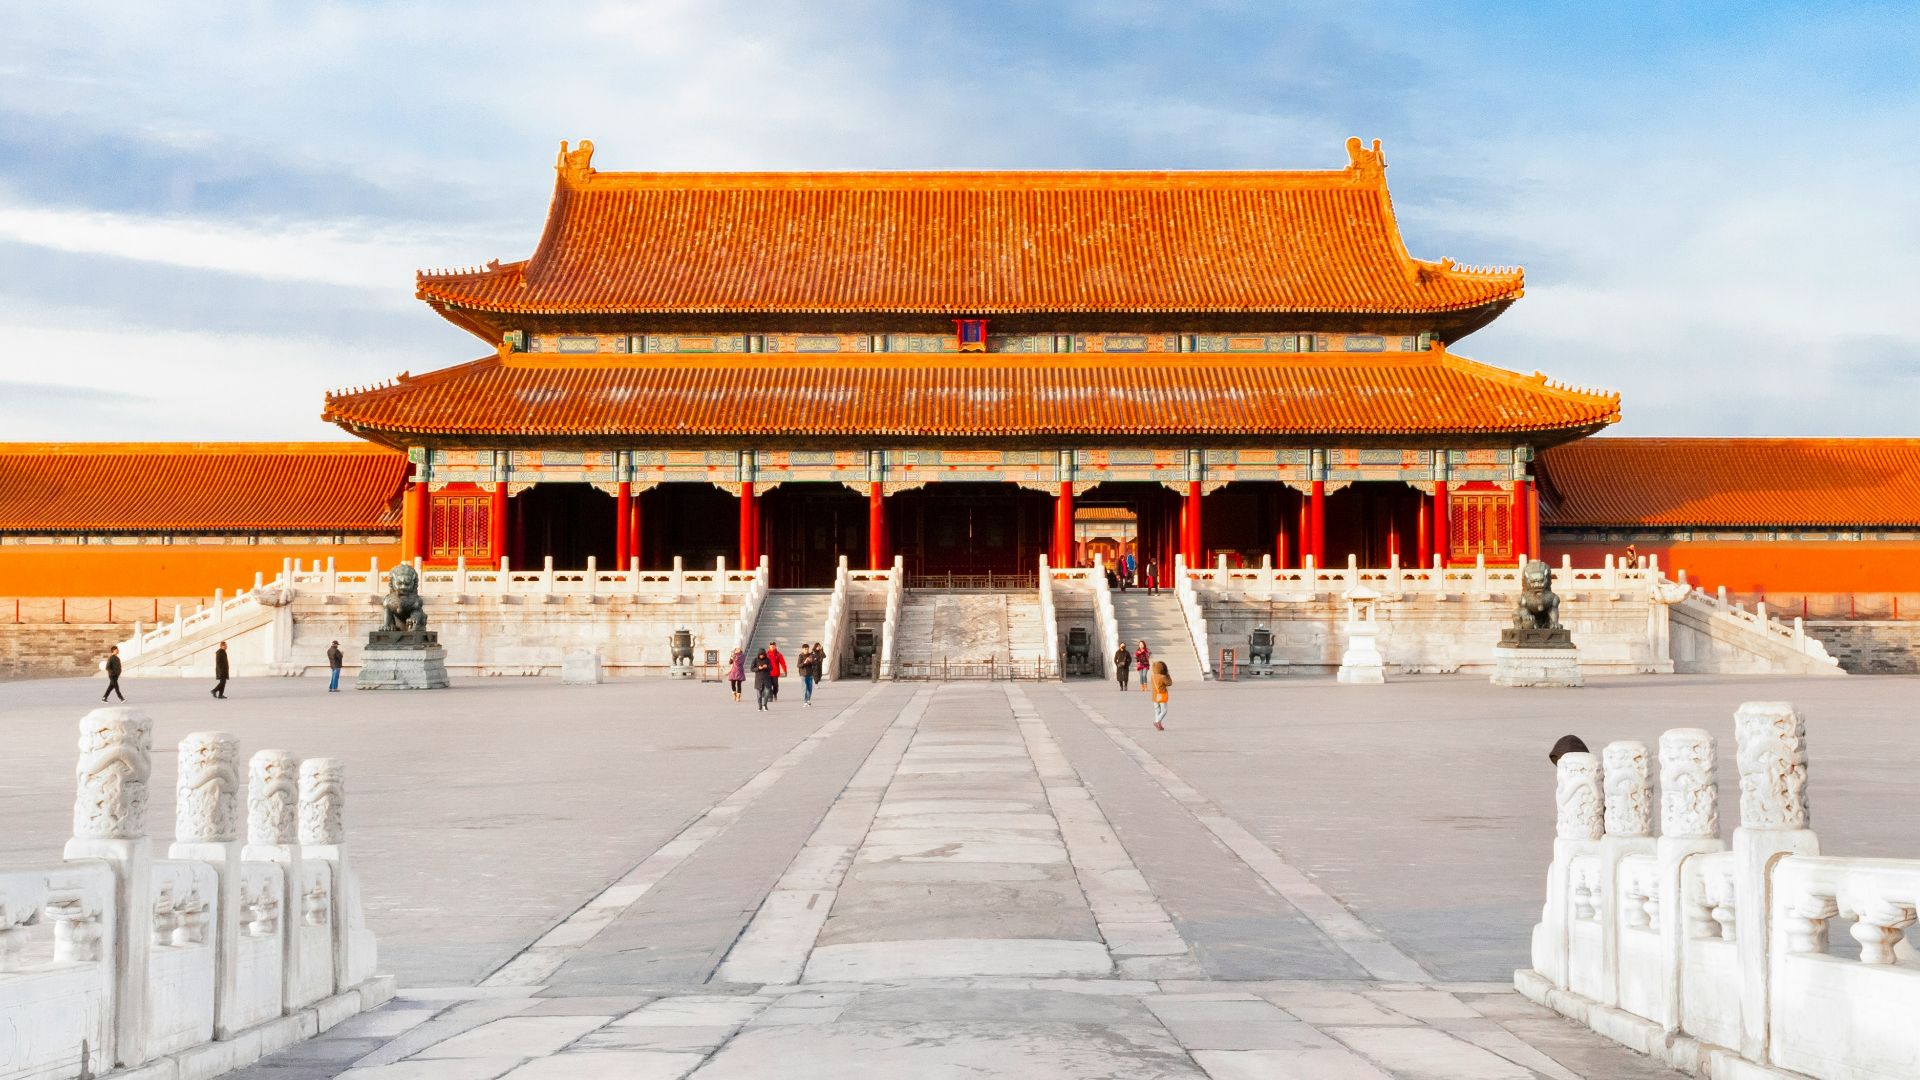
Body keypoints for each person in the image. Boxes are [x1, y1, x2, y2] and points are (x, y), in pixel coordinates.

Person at [1149, 659, 1172, 731]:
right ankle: (1157, 721)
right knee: (1164, 710)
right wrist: (1168, 675)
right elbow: (1169, 683)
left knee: (1157, 710)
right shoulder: (1162, 677)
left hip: (1154, 695)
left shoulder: (1152, 676)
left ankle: (1159, 725)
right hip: (1161, 695)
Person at [800, 642, 822, 707]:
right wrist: (805, 662)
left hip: (810, 674)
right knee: (805, 688)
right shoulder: (800, 656)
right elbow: (799, 665)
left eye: (807, 649)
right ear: (802, 649)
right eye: (805, 649)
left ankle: (808, 699)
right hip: (803, 674)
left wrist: (811, 661)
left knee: (810, 688)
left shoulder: (811, 655)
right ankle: (805, 701)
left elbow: (815, 664)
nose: (806, 650)